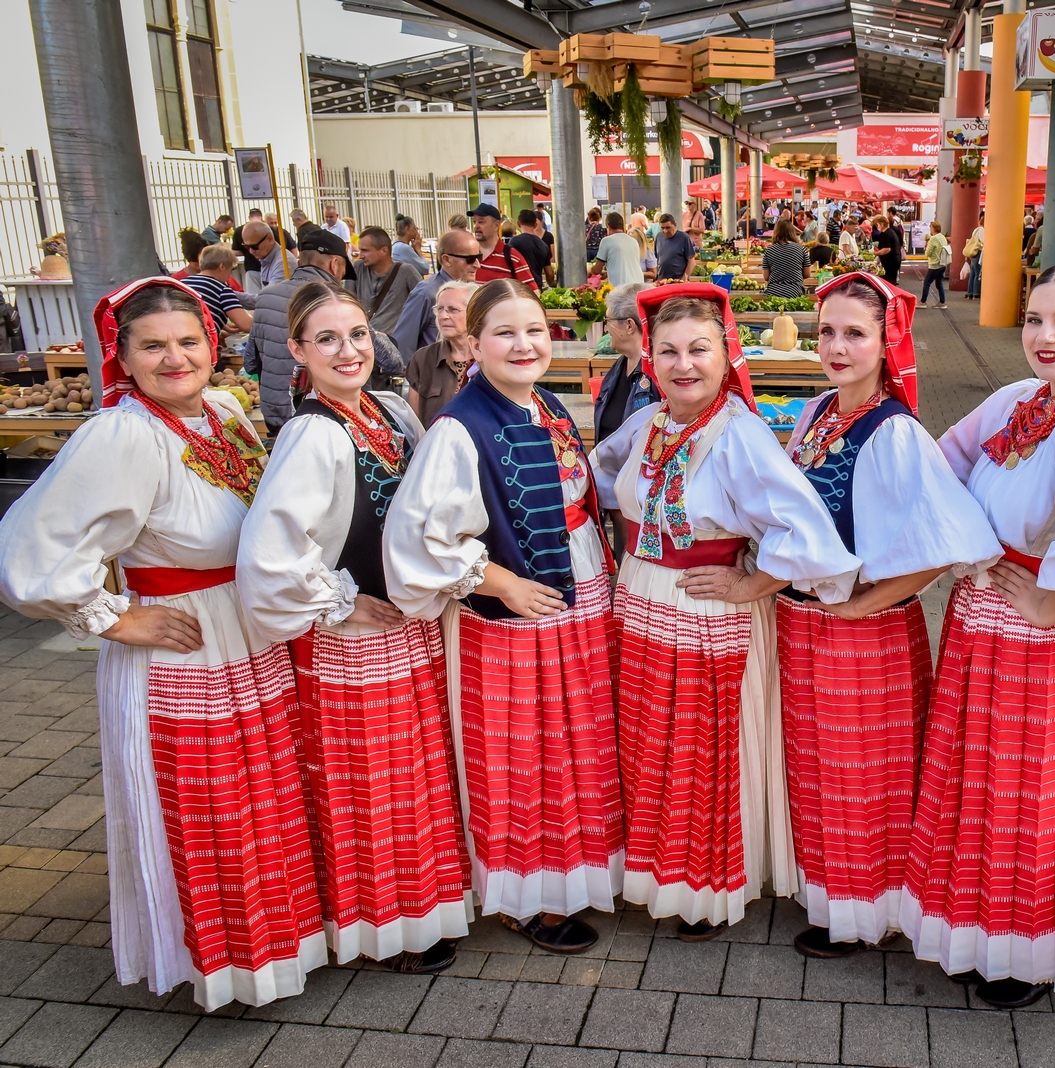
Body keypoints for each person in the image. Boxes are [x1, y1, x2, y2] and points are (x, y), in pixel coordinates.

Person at [0, 278, 324, 1010]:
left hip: (243, 637)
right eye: (153, 346)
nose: (174, 358)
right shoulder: (121, 434)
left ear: (214, 347)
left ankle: (272, 952)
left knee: (257, 804)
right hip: (185, 649)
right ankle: (219, 968)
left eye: (188, 342)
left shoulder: (222, 411)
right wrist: (112, 617)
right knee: (210, 813)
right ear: (124, 355)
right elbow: (27, 550)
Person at [902, 261, 1055, 1009]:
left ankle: (1026, 954)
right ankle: (980, 933)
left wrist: (1053, 604)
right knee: (984, 791)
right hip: (988, 625)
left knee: (1035, 799)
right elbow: (939, 459)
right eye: (1036, 320)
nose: (1045, 336)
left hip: (1049, 646)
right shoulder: (1024, 400)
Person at [589, 283, 860, 940]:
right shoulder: (651, 423)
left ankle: (704, 890)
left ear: (724, 354)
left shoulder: (739, 435)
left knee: (698, 758)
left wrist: (754, 584)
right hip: (642, 605)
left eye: (700, 350)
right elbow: (596, 475)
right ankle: (655, 875)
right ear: (649, 357)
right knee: (653, 751)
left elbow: (811, 534)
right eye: (670, 351)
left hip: (705, 615)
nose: (685, 365)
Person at [237, 281, 471, 974]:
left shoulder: (391, 409)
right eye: (329, 339)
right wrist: (338, 602)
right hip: (357, 641)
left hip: (407, 629)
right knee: (370, 786)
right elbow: (272, 546)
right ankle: (382, 926)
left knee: (416, 779)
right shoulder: (313, 432)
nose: (348, 350)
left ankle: (420, 907)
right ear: (297, 350)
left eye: (359, 335)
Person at [385, 278, 623, 955]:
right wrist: (503, 584)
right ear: (474, 342)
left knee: (573, 747)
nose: (525, 344)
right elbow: (419, 537)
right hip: (519, 619)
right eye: (506, 333)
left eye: (537, 330)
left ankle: (574, 875)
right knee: (525, 754)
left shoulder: (543, 402)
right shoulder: (461, 428)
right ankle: (527, 897)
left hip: (576, 599)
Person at [780, 273, 999, 958]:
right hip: (806, 625)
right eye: (827, 333)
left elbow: (952, 539)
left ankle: (866, 914)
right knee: (814, 766)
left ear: (886, 341)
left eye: (855, 334)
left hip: (864, 635)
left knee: (863, 775)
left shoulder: (895, 429)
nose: (837, 348)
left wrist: (869, 603)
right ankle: (829, 899)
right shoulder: (819, 410)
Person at [245, 227, 355, 433]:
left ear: (299, 262)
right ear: (335, 264)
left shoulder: (266, 296)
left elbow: (250, 363)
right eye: (342, 270)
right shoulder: (336, 301)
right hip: (325, 417)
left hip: (276, 416)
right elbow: (386, 360)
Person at [392, 229, 484, 360]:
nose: (477, 264)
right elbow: (403, 345)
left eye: (478, 257)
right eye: (470, 259)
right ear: (446, 260)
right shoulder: (425, 294)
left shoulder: (476, 292)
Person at [593, 283, 661, 445]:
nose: (606, 327)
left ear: (629, 325)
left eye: (608, 320)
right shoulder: (620, 365)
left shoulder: (656, 374)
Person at [404, 280, 478, 425]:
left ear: (474, 312)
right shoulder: (423, 359)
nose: (443, 316)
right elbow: (415, 424)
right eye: (440, 309)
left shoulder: (489, 358)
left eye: (452, 309)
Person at [352, 226, 423, 336]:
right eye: (360, 250)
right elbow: (348, 301)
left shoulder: (406, 272)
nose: (360, 256)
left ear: (384, 251)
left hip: (394, 343)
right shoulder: (358, 268)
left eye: (365, 251)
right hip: (363, 339)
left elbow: (424, 303)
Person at [181, 245, 253, 335]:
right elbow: (247, 325)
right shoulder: (222, 289)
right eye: (231, 269)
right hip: (200, 340)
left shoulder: (183, 283)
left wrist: (221, 324)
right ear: (222, 267)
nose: (230, 275)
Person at [469, 204, 536, 286]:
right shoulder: (468, 257)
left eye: (481, 222)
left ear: (496, 225)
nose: (476, 226)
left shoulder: (513, 258)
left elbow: (532, 293)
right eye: (474, 222)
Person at [240, 220, 297, 290]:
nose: (251, 251)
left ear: (270, 239)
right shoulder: (268, 258)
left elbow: (271, 296)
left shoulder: (284, 262)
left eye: (255, 246)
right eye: (247, 247)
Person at [592, 213, 643, 286]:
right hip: (638, 285)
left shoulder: (606, 241)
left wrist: (590, 270)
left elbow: (597, 270)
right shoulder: (633, 241)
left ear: (608, 226)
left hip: (621, 289)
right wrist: (608, 273)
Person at [763, 219, 810, 297]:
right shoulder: (801, 249)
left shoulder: (769, 250)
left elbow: (766, 277)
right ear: (792, 231)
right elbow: (807, 274)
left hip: (773, 293)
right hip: (795, 291)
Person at [510, 209, 554, 286]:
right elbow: (549, 273)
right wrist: (550, 284)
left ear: (518, 223)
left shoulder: (514, 242)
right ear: (535, 225)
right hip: (537, 288)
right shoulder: (543, 245)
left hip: (519, 288)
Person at [655, 214, 696, 282]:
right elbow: (657, 259)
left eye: (668, 227)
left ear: (675, 225)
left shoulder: (684, 237)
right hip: (662, 281)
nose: (665, 231)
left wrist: (683, 279)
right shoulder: (658, 237)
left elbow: (692, 261)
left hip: (678, 280)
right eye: (662, 228)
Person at [921, 221, 950, 308]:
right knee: (939, 283)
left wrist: (926, 245)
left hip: (934, 264)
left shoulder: (933, 239)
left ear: (933, 228)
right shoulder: (942, 237)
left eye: (930, 227)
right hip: (942, 264)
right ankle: (942, 302)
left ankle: (923, 302)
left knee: (927, 282)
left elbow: (927, 253)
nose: (930, 229)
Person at [871, 215, 904, 287]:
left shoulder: (886, 234)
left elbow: (887, 249)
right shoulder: (889, 232)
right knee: (892, 281)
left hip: (890, 261)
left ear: (882, 224)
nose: (877, 227)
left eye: (878, 224)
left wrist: (876, 253)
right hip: (894, 260)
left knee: (889, 282)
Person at [962, 212, 983, 299]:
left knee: (973, 273)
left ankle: (970, 292)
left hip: (972, 253)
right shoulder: (982, 230)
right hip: (977, 252)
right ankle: (975, 292)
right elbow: (983, 241)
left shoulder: (976, 229)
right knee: (977, 273)